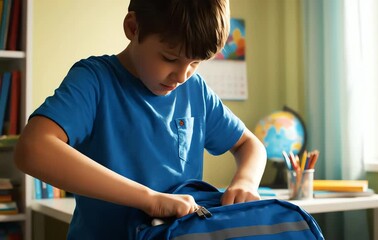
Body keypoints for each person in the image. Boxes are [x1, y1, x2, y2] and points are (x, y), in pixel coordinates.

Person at [14, 0, 267, 239]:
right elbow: (32, 149)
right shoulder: (95, 81)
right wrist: (149, 199)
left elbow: (250, 145)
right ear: (133, 28)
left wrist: (245, 182)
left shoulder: (196, 91)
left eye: (196, 63)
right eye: (170, 58)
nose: (181, 76)